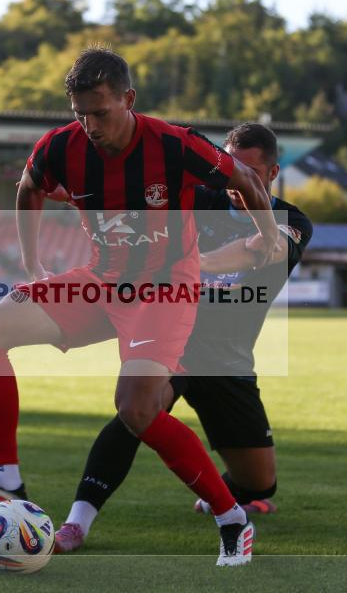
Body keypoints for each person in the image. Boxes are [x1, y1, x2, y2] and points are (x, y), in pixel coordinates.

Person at [0, 48, 281, 566]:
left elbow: (246, 181)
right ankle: (3, 478)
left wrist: (268, 236)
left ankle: (233, 520)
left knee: (137, 409)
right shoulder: (59, 147)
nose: (90, 125)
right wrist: (32, 266)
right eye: (80, 113)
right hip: (103, 282)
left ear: (128, 99)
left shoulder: (174, 143)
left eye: (100, 111)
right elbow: (28, 188)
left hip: (164, 288)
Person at [50, 123, 312, 554]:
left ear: (271, 174)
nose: (236, 179)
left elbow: (256, 250)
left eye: (249, 170)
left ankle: (220, 497)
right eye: (231, 166)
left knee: (261, 481)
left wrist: (191, 261)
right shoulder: (198, 199)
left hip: (229, 359)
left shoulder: (291, 221)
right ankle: (76, 523)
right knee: (136, 411)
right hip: (174, 334)